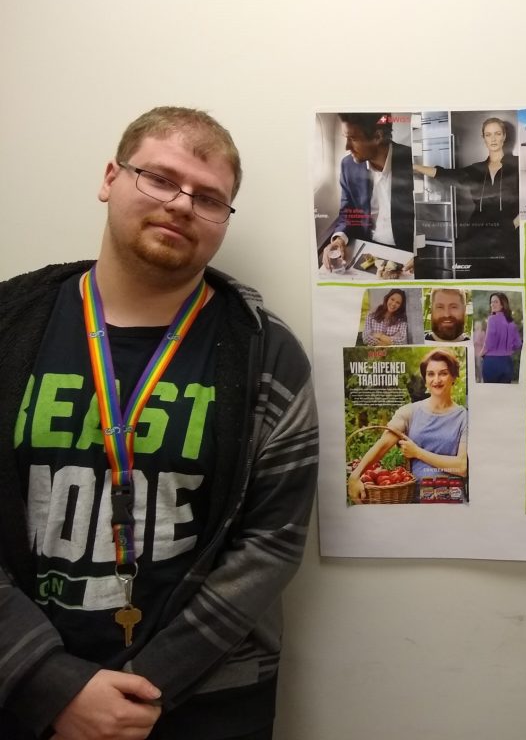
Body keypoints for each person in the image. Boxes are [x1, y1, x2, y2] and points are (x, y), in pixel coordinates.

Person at [0, 107, 319, 739]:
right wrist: (52, 683)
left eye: (209, 198)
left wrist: (149, 686)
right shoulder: (10, 325)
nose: (181, 204)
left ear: (224, 222)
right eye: (160, 179)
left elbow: (272, 543)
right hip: (19, 690)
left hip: (206, 701)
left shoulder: (267, 354)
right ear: (110, 177)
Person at [347, 349, 468, 503]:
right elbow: (383, 445)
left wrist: (417, 452)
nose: (436, 379)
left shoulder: (463, 417)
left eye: (443, 373)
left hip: (453, 499)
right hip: (417, 499)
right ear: (425, 379)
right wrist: (355, 475)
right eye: (431, 374)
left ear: (453, 377)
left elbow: (461, 467)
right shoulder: (409, 412)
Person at [413, 117, 519, 278]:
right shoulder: (476, 169)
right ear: (483, 138)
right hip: (476, 237)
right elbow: (446, 174)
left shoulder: (518, 166)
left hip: (507, 238)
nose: (493, 138)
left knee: (506, 277)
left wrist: (513, 225)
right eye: (488, 134)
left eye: (497, 133)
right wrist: (414, 166)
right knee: (478, 276)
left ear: (504, 136)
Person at [319, 112, 415, 269]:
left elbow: (431, 219)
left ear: (377, 137)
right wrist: (339, 239)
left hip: (407, 253)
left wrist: (425, 255)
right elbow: (347, 211)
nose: (347, 147)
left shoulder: (414, 162)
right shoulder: (348, 166)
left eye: (353, 139)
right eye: (346, 138)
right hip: (366, 247)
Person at [480, 293, 522, 383]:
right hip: (507, 362)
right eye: (491, 302)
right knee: (505, 394)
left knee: (491, 393)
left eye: (496, 302)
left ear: (503, 304)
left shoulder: (492, 319)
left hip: (492, 362)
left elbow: (488, 342)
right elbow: (518, 344)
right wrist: (507, 350)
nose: (492, 304)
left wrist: (481, 354)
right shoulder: (511, 322)